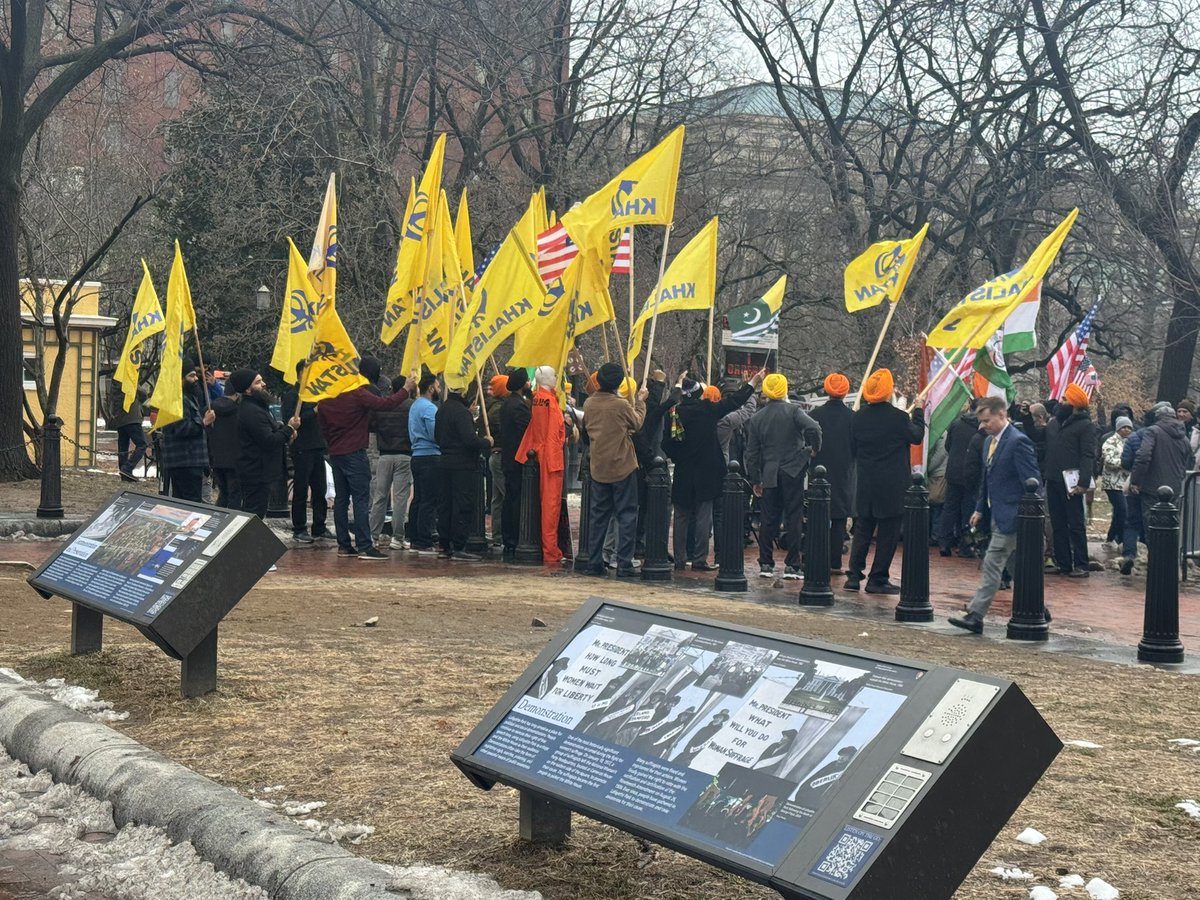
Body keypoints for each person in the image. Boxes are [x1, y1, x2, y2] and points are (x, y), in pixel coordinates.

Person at [949, 396, 1042, 633]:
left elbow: (1033, 483)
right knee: (1018, 567)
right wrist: (980, 508)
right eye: (981, 421)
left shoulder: (1018, 442)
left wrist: (1028, 514)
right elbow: (987, 480)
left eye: (987, 420)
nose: (983, 425)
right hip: (997, 514)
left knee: (991, 562)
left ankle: (976, 614)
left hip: (1013, 516)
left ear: (1002, 414)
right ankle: (1039, 608)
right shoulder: (989, 442)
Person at [317, 357, 414, 560]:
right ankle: (364, 545)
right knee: (361, 499)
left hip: (336, 452)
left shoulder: (325, 398)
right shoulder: (357, 393)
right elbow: (386, 404)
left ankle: (344, 545)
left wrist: (333, 443)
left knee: (341, 500)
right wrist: (405, 389)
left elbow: (324, 428)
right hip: (354, 451)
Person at [665, 372, 758, 571]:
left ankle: (680, 559)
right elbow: (734, 402)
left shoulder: (674, 412)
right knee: (703, 515)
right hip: (706, 471)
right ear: (699, 394)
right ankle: (699, 558)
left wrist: (677, 456)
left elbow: (667, 443)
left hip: (683, 469)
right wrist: (752, 383)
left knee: (681, 516)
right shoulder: (706, 409)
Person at [845, 369, 924, 594]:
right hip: (892, 484)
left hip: (866, 481)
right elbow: (916, 436)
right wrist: (919, 410)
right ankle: (877, 577)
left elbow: (853, 449)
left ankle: (853, 575)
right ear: (888, 391)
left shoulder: (857, 417)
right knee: (887, 534)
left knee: (863, 529)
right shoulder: (899, 418)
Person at [744, 371, 821, 578]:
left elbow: (751, 452)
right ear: (784, 389)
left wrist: (755, 479)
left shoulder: (757, 418)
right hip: (793, 470)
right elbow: (814, 427)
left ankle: (766, 563)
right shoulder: (794, 411)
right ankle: (792, 564)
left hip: (769, 472)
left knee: (768, 519)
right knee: (793, 517)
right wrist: (814, 449)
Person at [585, 362, 648, 578]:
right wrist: (640, 402)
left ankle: (594, 561)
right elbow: (637, 423)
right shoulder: (620, 405)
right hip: (622, 465)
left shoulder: (589, 403)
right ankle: (624, 563)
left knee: (598, 517)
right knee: (627, 515)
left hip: (598, 466)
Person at [516, 366, 568, 563]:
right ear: (546, 378)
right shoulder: (550, 403)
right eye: (554, 375)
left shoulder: (538, 399)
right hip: (550, 458)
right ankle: (551, 550)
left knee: (545, 505)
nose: (556, 377)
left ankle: (549, 549)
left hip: (538, 452)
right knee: (550, 506)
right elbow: (556, 434)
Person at [434, 381, 492, 560]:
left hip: (444, 462)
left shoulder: (442, 409)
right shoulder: (461, 413)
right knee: (462, 504)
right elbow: (469, 440)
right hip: (462, 465)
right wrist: (486, 442)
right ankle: (458, 545)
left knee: (445, 504)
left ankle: (445, 545)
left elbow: (437, 436)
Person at [1043, 383, 1097, 576]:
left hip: (1072, 483)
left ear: (1073, 404)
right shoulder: (1056, 424)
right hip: (1054, 478)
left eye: (1065, 399)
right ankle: (1063, 562)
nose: (1061, 402)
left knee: (1075, 523)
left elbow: (1087, 455)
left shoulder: (1086, 426)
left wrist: (1083, 482)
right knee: (1058, 523)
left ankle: (1081, 564)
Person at [231, 368, 299, 519]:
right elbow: (269, 440)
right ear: (247, 389)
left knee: (257, 512)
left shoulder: (258, 407)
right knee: (254, 514)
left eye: (261, 380)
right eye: (258, 382)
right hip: (256, 472)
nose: (263, 384)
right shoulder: (251, 411)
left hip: (261, 471)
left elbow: (271, 430)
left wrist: (285, 431)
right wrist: (288, 429)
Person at [1131, 404, 1193, 553]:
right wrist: (1180, 476)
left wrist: (1136, 480)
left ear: (1157, 417)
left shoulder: (1153, 431)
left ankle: (1155, 565)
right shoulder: (1183, 436)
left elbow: (1144, 456)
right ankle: (1170, 563)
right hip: (1175, 487)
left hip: (1153, 487)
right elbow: (1190, 459)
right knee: (1171, 526)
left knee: (1152, 526)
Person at [810, 373, 854, 572]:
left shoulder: (814, 415)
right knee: (839, 515)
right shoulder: (852, 418)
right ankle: (835, 560)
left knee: (817, 511)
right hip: (844, 469)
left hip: (819, 467)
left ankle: (815, 555)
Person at [282, 361, 329, 542]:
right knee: (301, 490)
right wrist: (314, 411)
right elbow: (291, 420)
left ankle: (320, 526)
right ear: (300, 374)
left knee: (320, 489)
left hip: (317, 447)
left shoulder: (316, 394)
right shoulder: (293, 395)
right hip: (302, 448)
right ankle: (299, 528)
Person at [366, 375, 414, 549]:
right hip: (405, 454)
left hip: (384, 454)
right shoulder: (411, 407)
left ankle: (373, 535)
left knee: (380, 496)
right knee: (400, 498)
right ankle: (398, 537)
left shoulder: (382, 406)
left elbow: (371, 426)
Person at [159, 358, 215, 502]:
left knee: (183, 503)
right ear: (180, 378)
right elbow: (182, 428)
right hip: (186, 461)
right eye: (191, 375)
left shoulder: (187, 397)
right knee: (190, 504)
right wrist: (204, 422)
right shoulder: (179, 400)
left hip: (187, 460)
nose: (196, 379)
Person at [499, 369, 532, 561]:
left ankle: (508, 539)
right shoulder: (518, 406)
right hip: (517, 459)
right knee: (516, 500)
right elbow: (527, 430)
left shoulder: (507, 403)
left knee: (510, 498)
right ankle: (514, 538)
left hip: (508, 458)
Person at [939, 401, 980, 557]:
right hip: (971, 472)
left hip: (953, 471)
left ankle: (944, 542)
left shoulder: (956, 424)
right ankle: (965, 544)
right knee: (968, 509)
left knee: (949, 507)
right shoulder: (980, 428)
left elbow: (948, 446)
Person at [408, 372, 442, 554]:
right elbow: (434, 434)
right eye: (438, 386)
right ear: (430, 388)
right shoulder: (429, 409)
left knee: (419, 499)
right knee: (429, 500)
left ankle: (414, 538)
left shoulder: (415, 406)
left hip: (417, 456)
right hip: (430, 456)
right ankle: (424, 540)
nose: (439, 389)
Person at [1100, 416, 1134, 546]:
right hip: (1112, 482)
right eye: (1124, 427)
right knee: (1122, 510)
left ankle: (1111, 537)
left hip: (1125, 482)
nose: (1127, 430)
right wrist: (1125, 463)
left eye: (1129, 427)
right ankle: (1119, 538)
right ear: (1118, 428)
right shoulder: (1110, 442)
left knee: (1120, 511)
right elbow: (1108, 460)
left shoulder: (1129, 442)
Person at [109, 380, 148, 482]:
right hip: (132, 418)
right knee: (142, 444)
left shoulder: (115, 384)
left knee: (123, 446)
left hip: (120, 418)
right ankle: (127, 468)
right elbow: (143, 394)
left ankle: (124, 472)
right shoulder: (130, 380)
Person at [486, 374, 509, 545]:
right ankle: (501, 534)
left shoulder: (493, 406)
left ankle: (497, 535)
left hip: (495, 455)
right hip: (500, 454)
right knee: (505, 495)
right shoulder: (498, 409)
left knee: (497, 499)